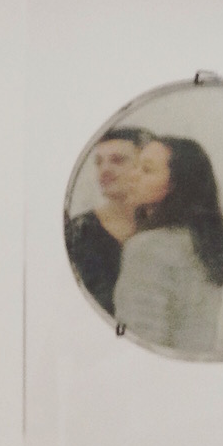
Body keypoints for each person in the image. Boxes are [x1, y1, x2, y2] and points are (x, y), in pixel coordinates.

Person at [112, 137, 223, 354]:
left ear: (175, 185)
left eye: (147, 170)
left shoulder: (147, 248)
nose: (133, 175)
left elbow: (142, 339)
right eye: (136, 166)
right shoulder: (202, 243)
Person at [65, 126, 153, 313]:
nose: (104, 170)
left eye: (118, 160)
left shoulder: (168, 231)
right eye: (99, 162)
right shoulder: (78, 231)